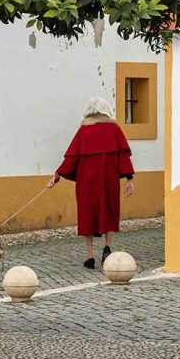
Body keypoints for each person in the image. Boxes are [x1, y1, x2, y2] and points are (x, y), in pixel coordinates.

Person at [48, 97, 134, 268]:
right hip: (108, 180)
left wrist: (57, 175)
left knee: (87, 214)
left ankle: (90, 256)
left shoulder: (84, 131)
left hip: (86, 182)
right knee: (109, 210)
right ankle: (107, 246)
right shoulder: (114, 130)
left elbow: (71, 158)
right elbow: (123, 155)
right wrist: (129, 179)